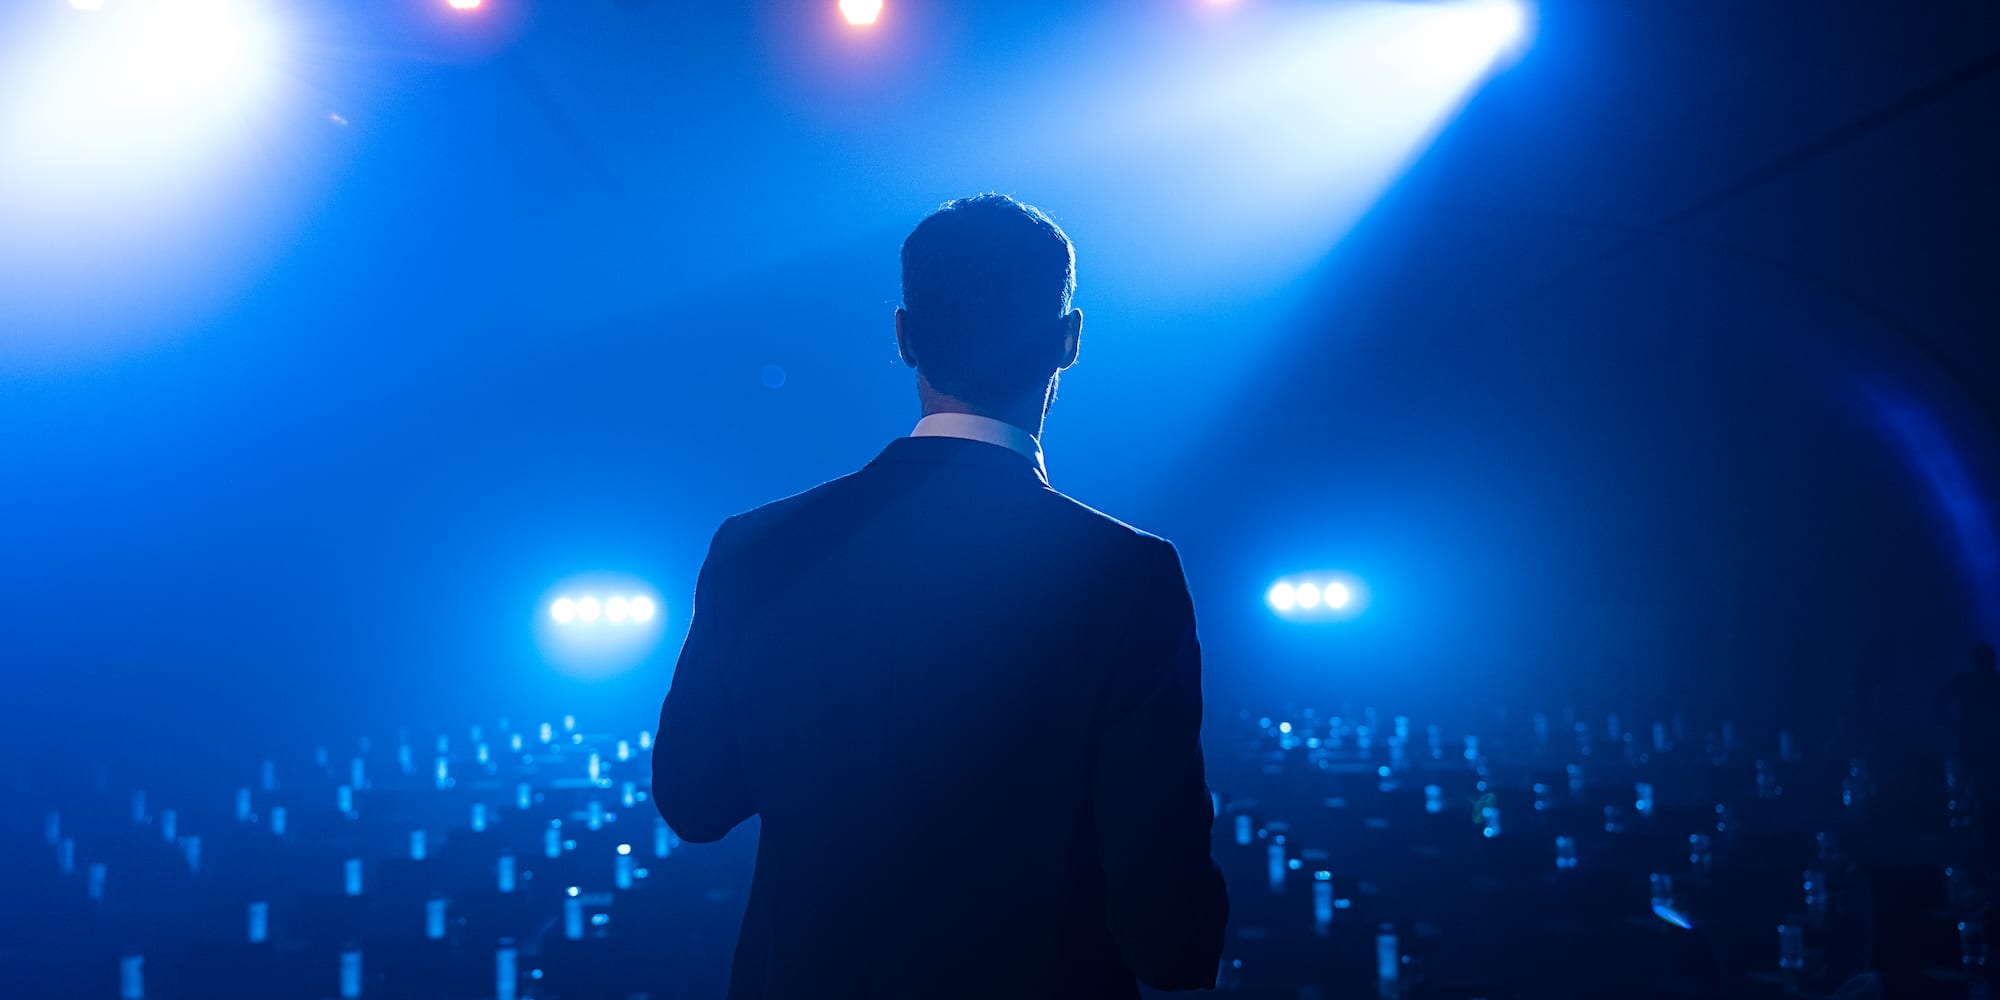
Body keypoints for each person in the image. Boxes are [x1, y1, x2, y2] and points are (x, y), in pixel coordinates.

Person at [653, 194, 1229, 999]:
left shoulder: (757, 547)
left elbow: (694, 800)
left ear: (904, 338)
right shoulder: (1127, 575)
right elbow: (1169, 937)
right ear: (1068, 342)